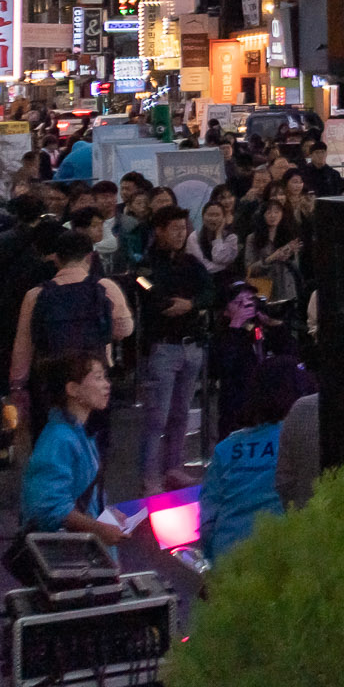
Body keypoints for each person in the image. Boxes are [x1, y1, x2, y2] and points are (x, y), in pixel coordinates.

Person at [8, 229, 134, 417]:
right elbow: (125, 329)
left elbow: (23, 346)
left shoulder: (36, 295)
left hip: (51, 380)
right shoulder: (105, 287)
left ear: (56, 259)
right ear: (90, 257)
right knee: (93, 438)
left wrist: (17, 386)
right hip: (94, 377)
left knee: (53, 435)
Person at [134, 205, 212, 493]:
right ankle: (150, 474)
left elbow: (210, 291)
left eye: (184, 228)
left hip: (191, 346)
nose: (181, 234)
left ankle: (173, 467)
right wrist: (175, 304)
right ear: (160, 230)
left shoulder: (191, 262)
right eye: (175, 229)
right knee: (157, 415)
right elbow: (147, 291)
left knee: (181, 412)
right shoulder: (145, 266)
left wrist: (191, 304)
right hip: (162, 348)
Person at [20, 350, 135, 545]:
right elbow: (51, 506)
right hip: (68, 553)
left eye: (105, 377)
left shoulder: (79, 434)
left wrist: (107, 513)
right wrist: (98, 528)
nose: (107, 385)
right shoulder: (60, 439)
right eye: (98, 378)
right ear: (73, 389)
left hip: (81, 548)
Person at [202, 357, 310, 561]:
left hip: (228, 557)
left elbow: (208, 519)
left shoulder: (226, 448)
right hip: (283, 556)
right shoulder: (300, 439)